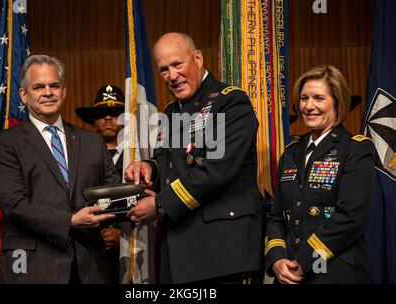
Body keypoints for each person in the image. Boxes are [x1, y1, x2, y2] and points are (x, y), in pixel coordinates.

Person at [125, 32, 264, 284]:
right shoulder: (170, 112)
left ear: (198, 58)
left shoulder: (230, 102)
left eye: (178, 64)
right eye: (164, 70)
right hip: (179, 249)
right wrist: (149, 168)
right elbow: (170, 164)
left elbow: (216, 171)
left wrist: (158, 205)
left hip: (222, 252)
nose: (172, 76)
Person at [0, 55, 119, 284]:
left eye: (54, 85)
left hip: (89, 269)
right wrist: (70, 221)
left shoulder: (92, 141)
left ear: (64, 91)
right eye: (38, 87)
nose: (48, 92)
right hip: (31, 270)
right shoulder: (4, 143)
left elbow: (112, 191)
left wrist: (142, 188)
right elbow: (14, 205)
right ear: (24, 95)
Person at [265, 65, 376, 284]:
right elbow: (277, 215)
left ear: (337, 102)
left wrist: (303, 262)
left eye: (319, 98)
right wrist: (277, 260)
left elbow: (350, 218)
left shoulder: (355, 149)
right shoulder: (291, 152)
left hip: (333, 272)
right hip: (288, 274)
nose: (309, 106)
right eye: (304, 98)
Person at [75, 84, 125, 283]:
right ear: (93, 121)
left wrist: (122, 236)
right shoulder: (77, 157)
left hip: (133, 253)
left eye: (116, 113)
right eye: (102, 113)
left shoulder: (140, 157)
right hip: (90, 252)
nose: (108, 118)